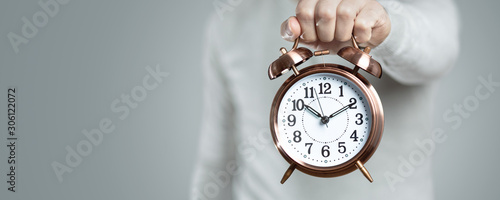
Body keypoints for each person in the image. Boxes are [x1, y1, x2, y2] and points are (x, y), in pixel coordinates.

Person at [191, 0, 459, 199]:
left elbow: (438, 54)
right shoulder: (231, 18)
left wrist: (386, 28)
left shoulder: (418, 8)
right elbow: (217, 160)